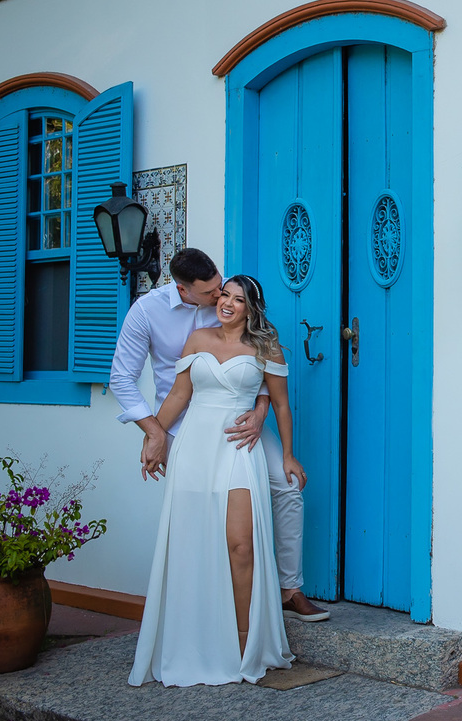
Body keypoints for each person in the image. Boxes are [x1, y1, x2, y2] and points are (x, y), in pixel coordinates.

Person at [109, 248, 328, 622]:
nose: (220, 298)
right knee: (195, 512)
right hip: (179, 425)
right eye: (213, 293)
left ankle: (289, 589)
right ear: (184, 290)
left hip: (239, 422)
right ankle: (203, 606)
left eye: (224, 290)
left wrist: (259, 413)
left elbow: (261, 367)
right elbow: (124, 380)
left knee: (286, 484)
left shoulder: (233, 300)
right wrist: (154, 434)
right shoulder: (147, 312)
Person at [129, 275, 294, 685]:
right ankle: (195, 641)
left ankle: (244, 643)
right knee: (192, 545)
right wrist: (154, 438)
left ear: (251, 309)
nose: (227, 303)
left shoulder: (265, 346)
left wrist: (288, 455)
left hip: (237, 449)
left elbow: (280, 403)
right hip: (194, 451)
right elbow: (179, 395)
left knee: (241, 545)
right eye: (224, 295)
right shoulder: (198, 339)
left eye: (238, 299)